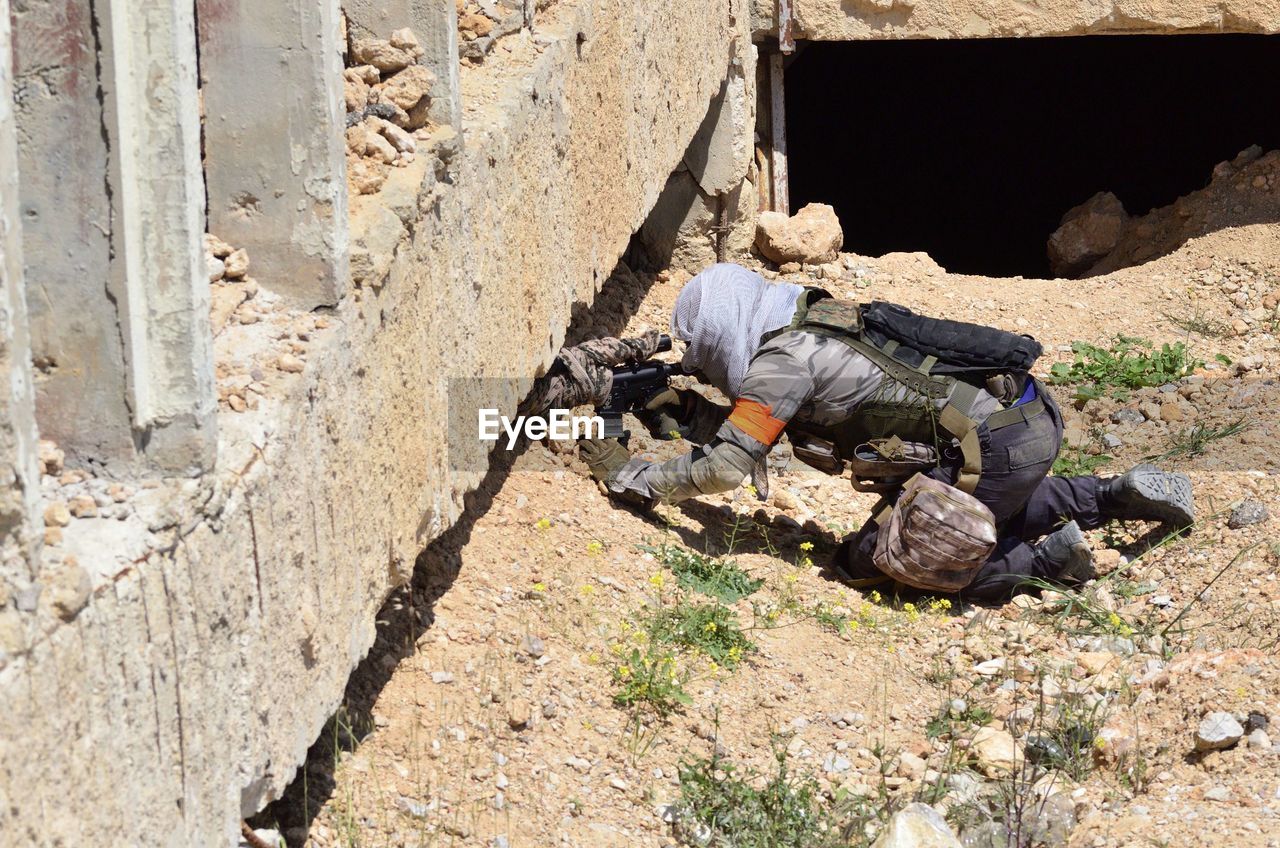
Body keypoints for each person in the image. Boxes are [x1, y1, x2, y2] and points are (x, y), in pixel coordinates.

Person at [577, 263, 1195, 600]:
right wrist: (686, 411)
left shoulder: (780, 363)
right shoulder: (810, 318)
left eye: (701, 348)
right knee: (992, 501)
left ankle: (1044, 561)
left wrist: (639, 477)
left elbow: (727, 468)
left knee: (874, 562)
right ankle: (1115, 495)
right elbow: (771, 431)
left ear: (721, 331)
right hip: (1025, 422)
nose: (698, 360)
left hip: (993, 448)